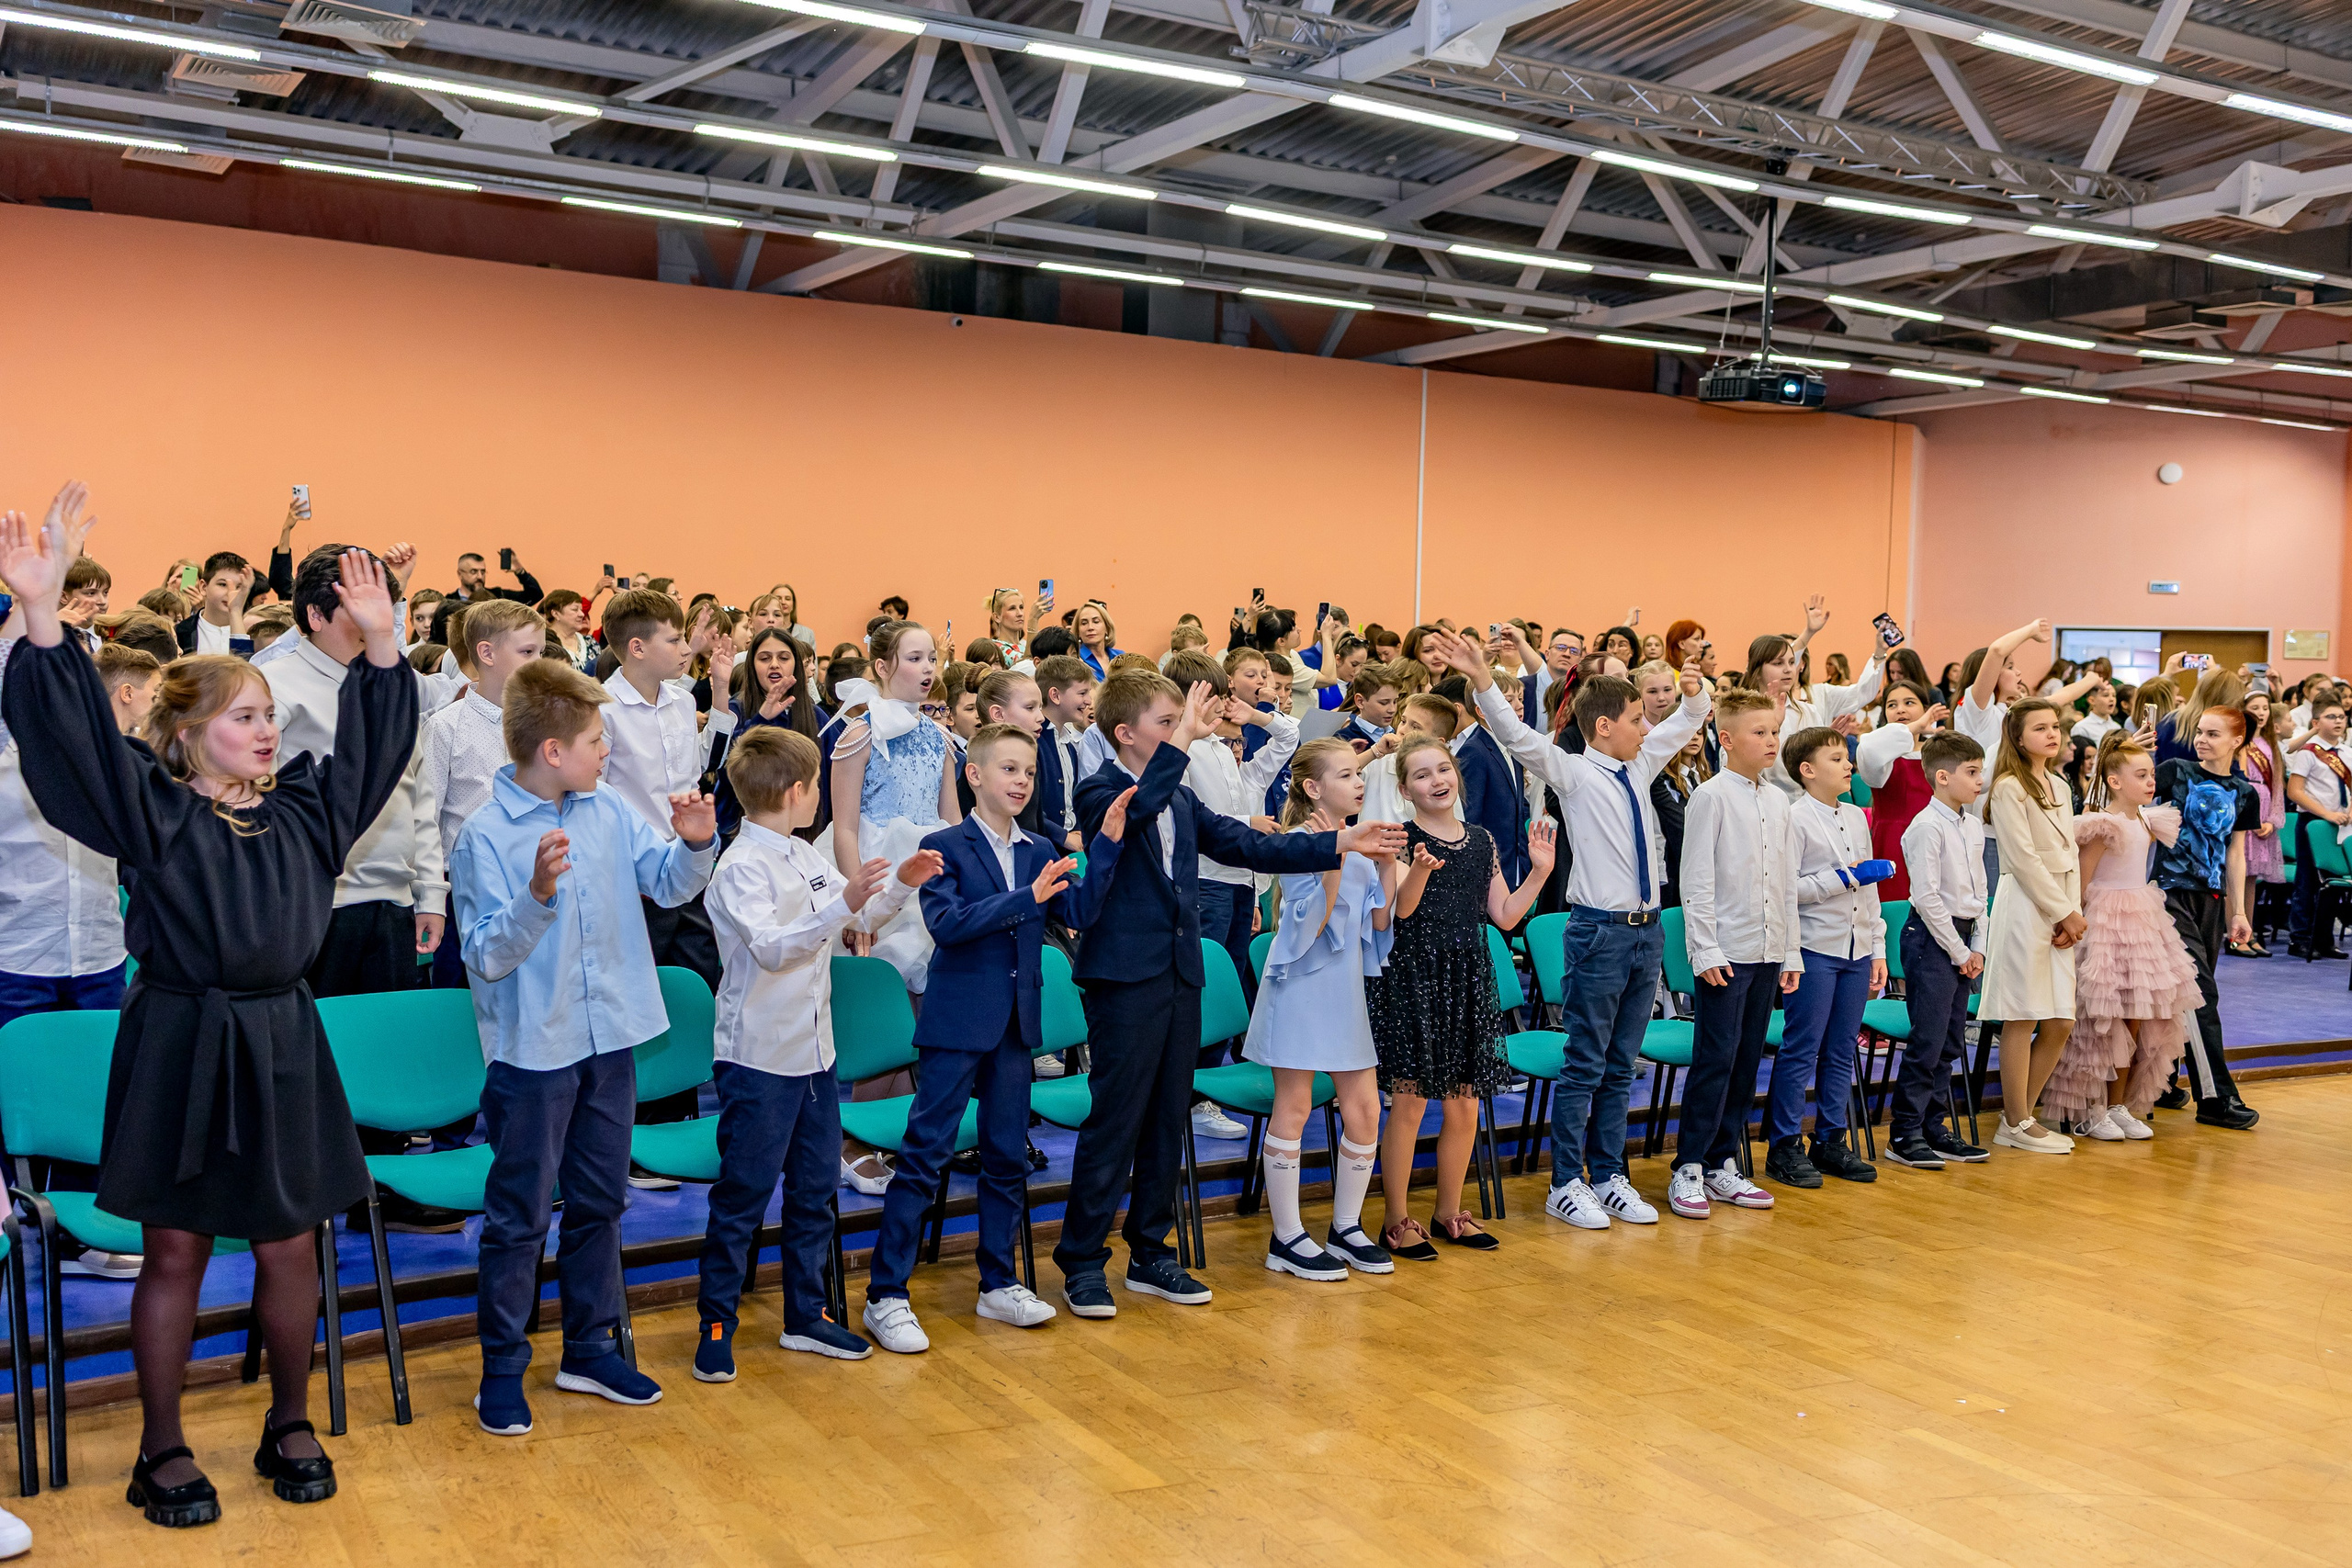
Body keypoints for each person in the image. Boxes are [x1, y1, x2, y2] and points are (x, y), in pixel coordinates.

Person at [3, 508, 413, 1532]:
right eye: (241, 717)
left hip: (282, 1041)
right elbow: (80, 749)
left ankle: (288, 1420)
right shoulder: (156, 811)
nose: (267, 729)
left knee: (288, 1245)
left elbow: (377, 742)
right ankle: (163, 1446)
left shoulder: (310, 812)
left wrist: (383, 641)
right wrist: (42, 614)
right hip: (181, 1042)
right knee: (176, 1252)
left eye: (270, 712)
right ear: (187, 737)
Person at [1055, 671, 1399, 1317]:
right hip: (1124, 978)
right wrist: (1184, 738)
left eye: (1176, 723)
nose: (1180, 729)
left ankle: (1151, 1250)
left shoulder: (1181, 800)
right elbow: (1141, 809)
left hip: (1181, 972)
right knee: (1116, 1120)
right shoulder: (1100, 787)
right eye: (1167, 721)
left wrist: (1337, 840)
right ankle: (1081, 1260)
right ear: (1127, 734)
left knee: (1166, 1115)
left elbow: (1240, 841)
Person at [448, 659, 719, 1438]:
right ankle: (501, 1367)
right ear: (554, 750)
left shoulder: (606, 811)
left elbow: (668, 884)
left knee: (601, 1201)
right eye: (598, 739)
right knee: (521, 1214)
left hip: (611, 1038)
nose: (610, 752)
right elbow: (486, 954)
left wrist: (695, 845)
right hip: (535, 1049)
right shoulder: (485, 836)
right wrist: (536, 897)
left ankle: (589, 1347)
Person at [1427, 628, 1712, 1231]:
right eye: (1636, 717)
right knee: (1585, 1061)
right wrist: (1483, 679)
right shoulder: (1576, 773)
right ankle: (1566, 1180)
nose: (1646, 724)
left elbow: (1688, 720)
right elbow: (1517, 736)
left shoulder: (1641, 767)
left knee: (1620, 1059)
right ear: (1604, 726)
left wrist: (1692, 691)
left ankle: (1609, 1173)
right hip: (1599, 933)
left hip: (1645, 931)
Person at [863, 725, 1134, 1349]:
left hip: (1015, 1027)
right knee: (926, 1154)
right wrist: (1024, 898)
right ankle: (886, 1294)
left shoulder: (1040, 848)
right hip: (957, 1024)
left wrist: (1110, 845)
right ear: (975, 775)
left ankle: (998, 1282)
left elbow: (1078, 911)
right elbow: (949, 925)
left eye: (1029, 772)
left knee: (1007, 1156)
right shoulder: (943, 844)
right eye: (1008, 768)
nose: (1020, 780)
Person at [694, 728, 939, 1376]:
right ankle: (715, 1319)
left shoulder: (804, 855)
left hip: (814, 1054)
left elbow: (858, 914)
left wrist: (900, 888)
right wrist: (845, 905)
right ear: (796, 791)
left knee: (813, 1192)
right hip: (758, 1057)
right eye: (815, 789)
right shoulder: (739, 866)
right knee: (743, 1195)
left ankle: (806, 1313)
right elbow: (775, 948)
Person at [1366, 737, 1553, 1259]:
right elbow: (1400, 914)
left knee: (1465, 1104)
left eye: (1442, 769)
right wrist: (1422, 868)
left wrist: (1538, 871)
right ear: (1404, 789)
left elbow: (1507, 916)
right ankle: (1396, 1219)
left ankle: (1449, 1211)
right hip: (1415, 978)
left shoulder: (1482, 840)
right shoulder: (1401, 840)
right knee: (1409, 1103)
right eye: (1421, 775)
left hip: (1467, 976)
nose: (1436, 781)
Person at [1243, 740, 1404, 1280]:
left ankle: (1346, 1227)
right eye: (1345, 775)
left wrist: (1386, 866)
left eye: (1359, 774)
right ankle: (1285, 1236)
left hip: (1344, 990)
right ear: (1314, 788)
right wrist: (1335, 855)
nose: (1359, 783)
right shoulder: (1296, 841)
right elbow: (1313, 921)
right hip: (1302, 986)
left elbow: (1378, 927)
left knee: (1362, 1110)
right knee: (1294, 1106)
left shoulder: (1360, 840)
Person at [265, 547, 451, 1004]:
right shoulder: (273, 685)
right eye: (359, 607)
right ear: (316, 615)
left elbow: (418, 795)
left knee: (386, 1049)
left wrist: (430, 894)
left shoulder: (391, 684)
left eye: (383, 606)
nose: (376, 620)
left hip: (394, 901)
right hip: (315, 907)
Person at [1668, 687, 1795, 1218]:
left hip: (1767, 949)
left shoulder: (1778, 798)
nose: (1771, 741)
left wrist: (1789, 953)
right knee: (1715, 1059)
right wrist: (1705, 950)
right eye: (1759, 733)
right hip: (1725, 951)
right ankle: (1689, 1166)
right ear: (1727, 739)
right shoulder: (1712, 796)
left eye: (1774, 731)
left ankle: (1723, 1163)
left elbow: (1785, 880)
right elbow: (1694, 880)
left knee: (1746, 1061)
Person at [2040, 734, 2199, 1141]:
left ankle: (2119, 1104)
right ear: (2114, 782)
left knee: (2134, 1017)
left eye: (2151, 774)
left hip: (2142, 921)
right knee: (2101, 1020)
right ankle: (2090, 1108)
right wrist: (2070, 921)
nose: (2151, 782)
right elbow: (2081, 879)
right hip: (2106, 921)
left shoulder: (2148, 820)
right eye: (2141, 775)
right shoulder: (2102, 826)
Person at [1764, 727, 1891, 1188]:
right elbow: (1784, 891)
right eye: (1837, 758)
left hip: (1856, 947)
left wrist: (1877, 947)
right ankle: (1784, 1146)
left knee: (1841, 1050)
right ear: (1808, 770)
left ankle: (1830, 1139)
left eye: (1848, 757)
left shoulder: (1857, 816)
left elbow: (1871, 887)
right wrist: (1840, 879)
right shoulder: (1793, 818)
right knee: (1801, 1049)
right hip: (1815, 947)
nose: (1849, 765)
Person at [599, 589, 734, 991]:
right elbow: (594, 798)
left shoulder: (680, 700)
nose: (686, 650)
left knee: (700, 980)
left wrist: (722, 692)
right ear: (637, 647)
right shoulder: (602, 707)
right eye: (674, 641)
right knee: (638, 988)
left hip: (688, 863)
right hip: (635, 876)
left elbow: (705, 764)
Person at [823, 619, 959, 992]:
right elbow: (845, 827)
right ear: (883, 668)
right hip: (875, 867)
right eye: (915, 658)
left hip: (931, 866)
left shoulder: (941, 738)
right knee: (883, 980)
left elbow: (951, 819)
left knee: (937, 979)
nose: (929, 667)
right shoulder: (861, 734)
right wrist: (859, 904)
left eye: (932, 658)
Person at [418, 600, 548, 988]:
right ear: (486, 653)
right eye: (528, 653)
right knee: (462, 1005)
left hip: (533, 889)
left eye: (541, 652)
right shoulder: (446, 726)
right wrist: (430, 897)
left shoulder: (549, 723)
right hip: (467, 897)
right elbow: (427, 818)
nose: (538, 662)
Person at [1979, 700, 2084, 1155]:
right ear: (2018, 738)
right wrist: (2062, 911)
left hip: (2060, 906)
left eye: (2056, 727)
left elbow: (2072, 858)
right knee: (2022, 1013)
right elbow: (2022, 859)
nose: (2052, 734)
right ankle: (2016, 1121)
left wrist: (2071, 913)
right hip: (2025, 903)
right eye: (2040, 728)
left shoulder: (2059, 783)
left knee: (2061, 1019)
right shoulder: (2007, 787)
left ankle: (2024, 1112)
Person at [1884, 732, 1992, 1169]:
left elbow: (1980, 890)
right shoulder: (1925, 827)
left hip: (1964, 937)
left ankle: (1934, 1125)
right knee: (1927, 1041)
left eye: (1980, 771)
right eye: (1972, 772)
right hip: (1932, 938)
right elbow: (1927, 897)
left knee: (1950, 1040)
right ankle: (1905, 1132)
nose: (1979, 780)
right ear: (1942, 776)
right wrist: (1957, 950)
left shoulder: (1970, 824)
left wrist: (1978, 946)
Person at [2151, 705, 2261, 1129]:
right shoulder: (2175, 771)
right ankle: (2215, 1097)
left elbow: (2235, 853)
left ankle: (2161, 1082)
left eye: (2213, 734)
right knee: (2201, 996)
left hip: (2211, 902)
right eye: (2200, 731)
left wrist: (2238, 910)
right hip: (2169, 894)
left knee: (2184, 997)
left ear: (2236, 741)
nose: (2201, 739)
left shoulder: (2244, 791)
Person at [712, 627, 827, 838]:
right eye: (764, 658)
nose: (775, 664)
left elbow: (827, 783)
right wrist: (762, 718)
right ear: (752, 666)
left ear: (796, 666)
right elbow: (725, 769)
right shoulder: (737, 709)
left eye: (784, 657)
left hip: (804, 837)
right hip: (742, 834)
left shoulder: (816, 717)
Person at [1855, 681, 1949, 899]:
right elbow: (1868, 747)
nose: (1900, 710)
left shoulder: (1939, 753)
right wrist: (1917, 726)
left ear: (1924, 709)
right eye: (1892, 705)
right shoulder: (1882, 755)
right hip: (1893, 843)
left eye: (1909, 702)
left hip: (1938, 842)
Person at [2286, 689, 2350, 960]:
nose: (2338, 721)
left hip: (2340, 822)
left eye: (2342, 716)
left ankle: (2324, 938)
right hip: (2313, 821)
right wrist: (2326, 813)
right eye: (2330, 716)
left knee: (2332, 884)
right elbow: (2295, 791)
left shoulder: (2347, 752)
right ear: (2316, 722)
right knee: (2307, 882)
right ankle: (2300, 938)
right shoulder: (2308, 752)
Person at [2234, 688, 2289, 955]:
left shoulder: (2270, 744)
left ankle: (2251, 931)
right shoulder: (2239, 743)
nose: (2261, 713)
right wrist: (2251, 819)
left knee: (2252, 879)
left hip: (2265, 811)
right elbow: (2239, 779)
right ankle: (2234, 935)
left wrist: (2272, 820)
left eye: (2265, 708)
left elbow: (2278, 784)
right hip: (2246, 809)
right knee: (2235, 876)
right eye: (2255, 707)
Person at [428, 550, 542, 647]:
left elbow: (535, 594)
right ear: (459, 574)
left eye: (483, 572)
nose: (479, 576)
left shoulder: (498, 596)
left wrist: (519, 570)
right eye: (474, 572)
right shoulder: (448, 603)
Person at [172, 552, 258, 657]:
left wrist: (235, 611)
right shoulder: (181, 631)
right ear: (203, 587)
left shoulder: (254, 632)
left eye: (239, 587)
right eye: (222, 584)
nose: (231, 593)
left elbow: (245, 668)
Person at [1071, 601, 1124, 680]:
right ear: (1078, 631)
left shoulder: (1121, 657)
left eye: (1096, 622)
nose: (1090, 627)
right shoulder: (1075, 660)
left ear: (1107, 627)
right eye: (1084, 623)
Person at [2070, 680, 2121, 748]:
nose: (2111, 699)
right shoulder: (2081, 728)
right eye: (2106, 695)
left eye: (2114, 695)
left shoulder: (2117, 727)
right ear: (2092, 700)